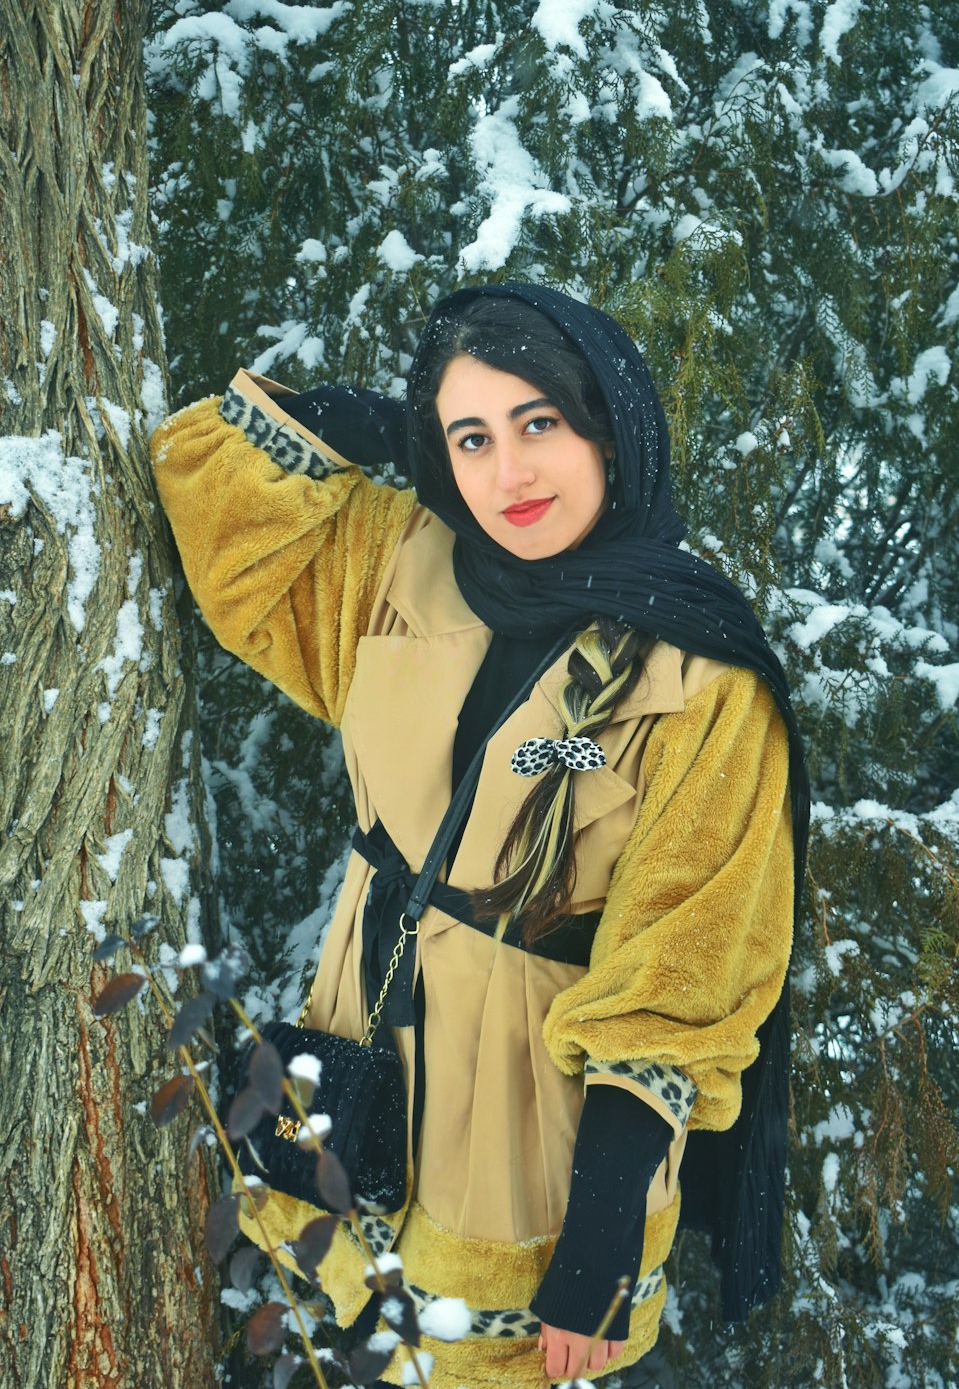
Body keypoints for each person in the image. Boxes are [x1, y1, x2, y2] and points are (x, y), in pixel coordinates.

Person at [150, 283, 807, 1388]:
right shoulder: (398, 561)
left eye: (538, 423)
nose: (510, 474)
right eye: (469, 436)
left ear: (610, 422)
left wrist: (599, 1248)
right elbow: (219, 528)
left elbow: (682, 981)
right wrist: (331, 427)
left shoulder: (699, 677)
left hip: (527, 1151)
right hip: (352, 1084)